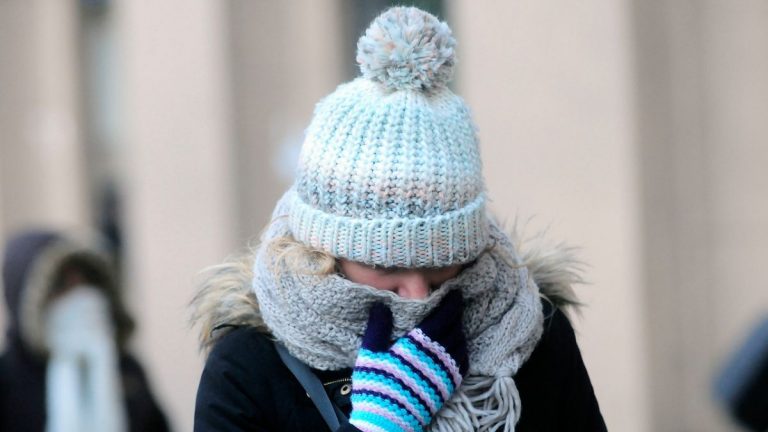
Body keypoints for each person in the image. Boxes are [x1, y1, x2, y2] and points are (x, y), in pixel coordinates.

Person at [191, 6, 606, 431]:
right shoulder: (249, 365)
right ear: (324, 250)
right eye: (386, 266)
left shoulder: (527, 332)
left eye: (442, 266)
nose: (417, 295)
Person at [0, 230, 170, 432]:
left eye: (87, 281)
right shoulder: (7, 381)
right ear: (29, 303)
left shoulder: (127, 369)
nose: (81, 296)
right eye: (61, 285)